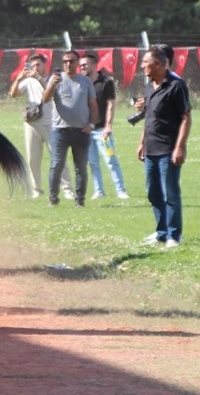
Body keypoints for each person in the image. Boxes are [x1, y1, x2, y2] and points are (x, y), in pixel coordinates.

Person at [137, 48, 191, 247]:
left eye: (145, 62)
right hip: (150, 149)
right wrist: (141, 142)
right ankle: (161, 232)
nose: (142, 66)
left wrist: (180, 147)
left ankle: (174, 235)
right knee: (153, 193)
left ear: (158, 64)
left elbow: (186, 118)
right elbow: (149, 118)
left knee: (170, 194)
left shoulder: (176, 86)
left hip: (168, 149)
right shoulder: (149, 86)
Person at [8, 55, 71, 199]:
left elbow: (50, 92)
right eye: (33, 66)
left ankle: (68, 190)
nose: (35, 68)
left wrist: (37, 78)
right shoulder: (29, 81)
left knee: (58, 157)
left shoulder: (53, 79)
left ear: (45, 65)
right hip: (32, 124)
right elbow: (13, 94)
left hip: (51, 123)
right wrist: (18, 78)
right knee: (32, 160)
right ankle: (37, 191)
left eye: (38, 65)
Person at [42, 49, 97, 208]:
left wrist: (91, 124)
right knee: (56, 164)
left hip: (81, 131)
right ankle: (53, 199)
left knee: (81, 167)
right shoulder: (56, 79)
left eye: (71, 61)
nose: (68, 64)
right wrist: (52, 85)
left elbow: (93, 104)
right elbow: (45, 99)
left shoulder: (85, 81)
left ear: (77, 63)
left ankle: (80, 200)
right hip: (60, 131)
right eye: (65, 61)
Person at [80, 51, 129, 200]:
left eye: (85, 65)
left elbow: (111, 104)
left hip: (102, 131)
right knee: (93, 163)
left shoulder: (106, 82)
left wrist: (108, 126)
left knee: (110, 160)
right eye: (81, 65)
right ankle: (99, 191)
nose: (82, 67)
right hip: (87, 131)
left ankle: (121, 190)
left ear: (94, 65)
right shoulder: (81, 83)